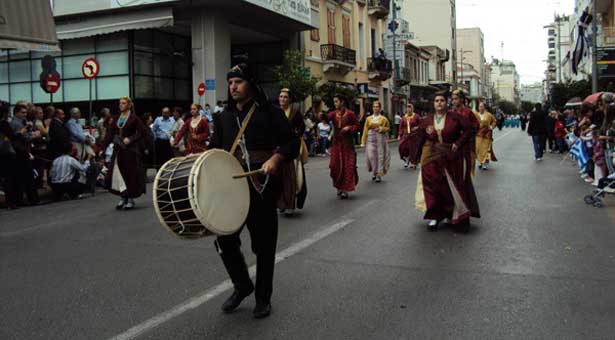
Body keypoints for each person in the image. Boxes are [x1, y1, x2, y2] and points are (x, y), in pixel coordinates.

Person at [209, 63, 299, 319]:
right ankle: (242, 285)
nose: (233, 87)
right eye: (230, 83)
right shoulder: (223, 117)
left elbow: (292, 142)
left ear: (250, 83)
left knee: (264, 245)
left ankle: (263, 298)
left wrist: (277, 158)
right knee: (224, 240)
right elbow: (215, 150)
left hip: (263, 186)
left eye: (238, 81)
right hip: (232, 187)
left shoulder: (269, 112)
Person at [411, 91, 480, 231]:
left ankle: (450, 214)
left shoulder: (456, 118)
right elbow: (420, 138)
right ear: (433, 103)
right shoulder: (427, 120)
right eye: (436, 101)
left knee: (448, 187)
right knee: (432, 187)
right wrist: (415, 157)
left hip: (451, 157)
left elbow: (471, 129)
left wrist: (458, 143)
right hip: (431, 157)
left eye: (442, 100)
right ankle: (434, 216)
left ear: (446, 102)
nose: (439, 103)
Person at [101, 96, 148, 210]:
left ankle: (130, 198)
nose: (120, 105)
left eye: (123, 103)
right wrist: (103, 148)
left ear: (129, 105)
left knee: (130, 174)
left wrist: (131, 139)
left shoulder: (134, 118)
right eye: (120, 103)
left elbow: (143, 132)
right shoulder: (116, 118)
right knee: (117, 174)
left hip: (130, 151)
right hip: (118, 151)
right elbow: (110, 134)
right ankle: (123, 196)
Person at [277, 88, 307, 216]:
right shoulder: (275, 112)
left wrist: (295, 137)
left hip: (292, 149)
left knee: (292, 176)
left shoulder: (295, 113)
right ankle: (281, 203)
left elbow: (302, 128)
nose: (282, 99)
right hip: (277, 149)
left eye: (285, 97)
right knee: (279, 177)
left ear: (289, 100)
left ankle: (290, 204)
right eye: (281, 96)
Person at [327, 94, 360, 199]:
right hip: (336, 144)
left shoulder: (350, 114)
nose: (335, 103)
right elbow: (326, 118)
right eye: (334, 102)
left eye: (336, 101)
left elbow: (357, 125)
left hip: (347, 145)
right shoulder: (333, 114)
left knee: (348, 167)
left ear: (342, 102)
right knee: (334, 166)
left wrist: (349, 128)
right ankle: (339, 186)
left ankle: (345, 189)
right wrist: (321, 116)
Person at [9, 103, 40, 206]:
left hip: (22, 151)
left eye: (26, 112)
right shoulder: (16, 123)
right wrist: (34, 135)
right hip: (20, 152)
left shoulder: (21, 122)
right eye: (23, 112)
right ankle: (31, 199)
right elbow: (24, 137)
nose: (25, 114)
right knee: (26, 176)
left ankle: (27, 199)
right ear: (16, 112)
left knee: (25, 176)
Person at [361, 100, 391, 182]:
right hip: (370, 139)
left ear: (380, 108)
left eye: (377, 107)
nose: (375, 108)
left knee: (380, 157)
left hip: (380, 140)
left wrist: (381, 129)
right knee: (371, 157)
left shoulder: (384, 119)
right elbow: (365, 130)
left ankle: (378, 174)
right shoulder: (368, 118)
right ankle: (374, 172)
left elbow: (388, 128)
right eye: (374, 107)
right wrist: (363, 141)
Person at [452, 89, 479, 176]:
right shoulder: (452, 112)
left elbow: (476, 126)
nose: (453, 101)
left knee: (466, 169)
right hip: (454, 144)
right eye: (452, 99)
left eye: (456, 99)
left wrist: (466, 134)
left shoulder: (468, 112)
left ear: (462, 99)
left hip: (466, 145)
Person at [398, 103, 421, 169]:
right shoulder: (403, 118)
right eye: (407, 108)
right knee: (401, 147)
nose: (408, 109)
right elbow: (401, 127)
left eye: (410, 108)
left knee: (413, 150)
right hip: (405, 136)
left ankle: (413, 163)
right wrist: (400, 135)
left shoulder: (416, 116)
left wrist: (417, 127)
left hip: (414, 136)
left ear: (412, 109)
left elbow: (421, 124)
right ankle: (406, 159)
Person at [475, 102, 497, 170]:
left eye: (482, 106)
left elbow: (494, 121)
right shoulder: (476, 115)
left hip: (487, 135)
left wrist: (491, 127)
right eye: (479, 106)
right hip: (478, 135)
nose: (480, 108)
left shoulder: (489, 115)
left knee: (486, 149)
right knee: (479, 149)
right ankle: (481, 163)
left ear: (484, 107)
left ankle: (485, 164)